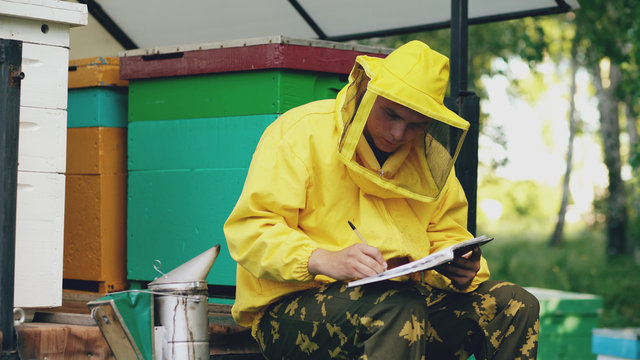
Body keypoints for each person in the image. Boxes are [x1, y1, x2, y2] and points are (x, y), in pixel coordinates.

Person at [224, 40, 539, 359]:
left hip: (401, 304)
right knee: (398, 307)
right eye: (391, 114)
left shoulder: (427, 161)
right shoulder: (300, 132)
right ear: (367, 91)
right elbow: (251, 230)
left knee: (514, 305)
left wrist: (458, 265)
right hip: (289, 312)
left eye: (415, 124)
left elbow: (446, 232)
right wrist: (322, 259)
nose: (398, 134)